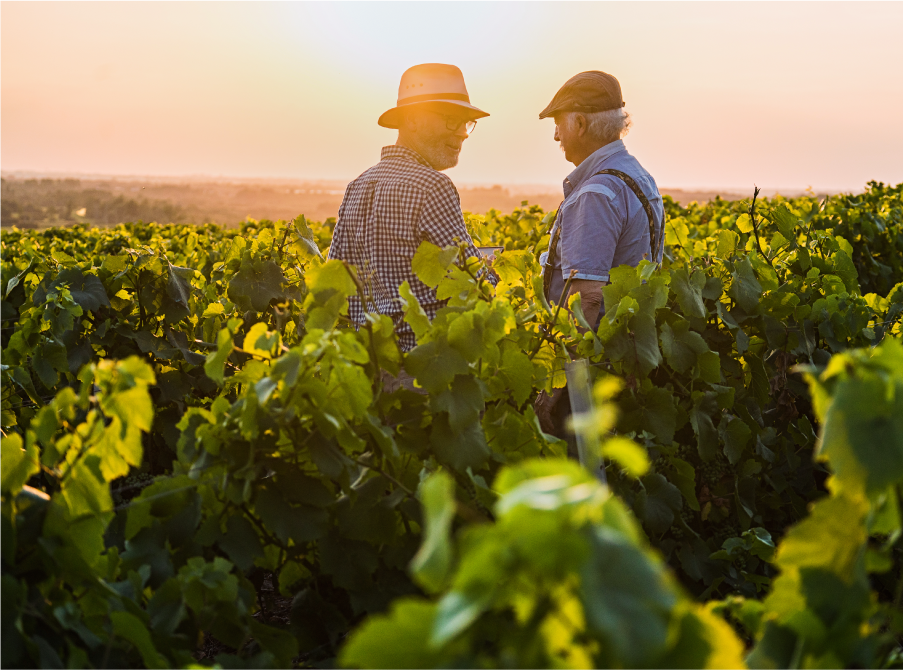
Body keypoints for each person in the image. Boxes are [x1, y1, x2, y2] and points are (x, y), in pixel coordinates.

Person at [327, 63, 490, 391]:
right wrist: (493, 272)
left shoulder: (358, 185)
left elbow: (335, 285)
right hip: (422, 370)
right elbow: (475, 284)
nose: (461, 133)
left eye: (466, 123)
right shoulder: (433, 186)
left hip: (366, 370)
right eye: (451, 120)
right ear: (413, 119)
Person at [533, 70, 665, 438]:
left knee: (583, 476)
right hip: (623, 358)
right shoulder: (638, 176)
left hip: (586, 377)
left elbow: (586, 299)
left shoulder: (596, 193)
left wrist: (554, 385)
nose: (556, 135)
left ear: (579, 123)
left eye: (559, 124)